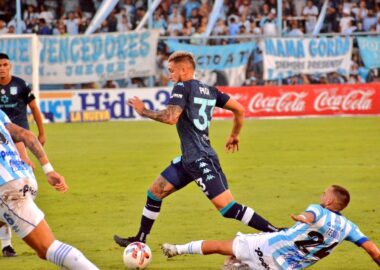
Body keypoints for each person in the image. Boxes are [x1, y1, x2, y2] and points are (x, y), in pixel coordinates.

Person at [114, 51, 279, 248]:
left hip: (201, 159)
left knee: (227, 208)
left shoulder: (181, 87)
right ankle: (140, 239)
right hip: (189, 159)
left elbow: (170, 117)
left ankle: (278, 233)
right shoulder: (210, 90)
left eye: (172, 70)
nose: (169, 75)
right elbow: (240, 109)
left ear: (184, 70)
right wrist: (234, 134)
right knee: (154, 192)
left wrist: (144, 111)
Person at [161, 185, 380, 270]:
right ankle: (241, 267)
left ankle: (176, 249)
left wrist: (303, 217)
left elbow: (311, 215)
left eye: (325, 194)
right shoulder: (350, 228)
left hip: (268, 246)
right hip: (285, 267)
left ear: (330, 202)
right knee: (233, 261)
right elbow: (372, 250)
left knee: (222, 247)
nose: (322, 195)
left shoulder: (318, 210)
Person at [0, 109, 99, 269]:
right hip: (24, 177)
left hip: (7, 189)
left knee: (46, 247)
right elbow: (27, 136)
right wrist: (49, 170)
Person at [0, 53, 46, 256]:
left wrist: (41, 133)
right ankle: (7, 244)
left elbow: (34, 108)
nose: (1, 68)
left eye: (4, 65)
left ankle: (35, 233)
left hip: (21, 142)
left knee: (22, 189)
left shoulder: (21, 85)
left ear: (10, 66)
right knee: (8, 190)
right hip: (3, 144)